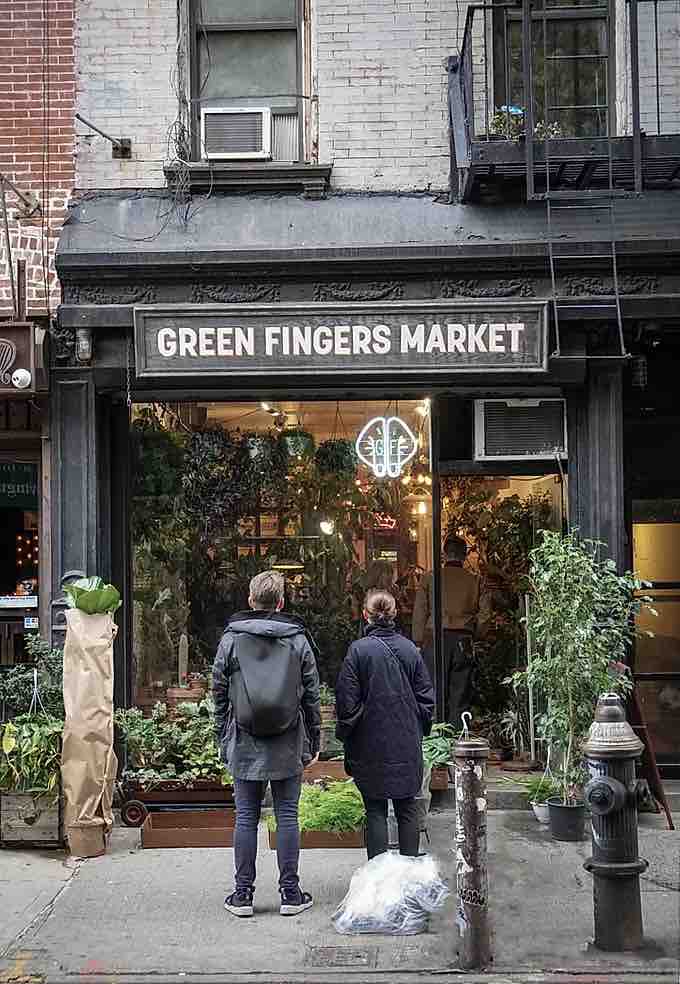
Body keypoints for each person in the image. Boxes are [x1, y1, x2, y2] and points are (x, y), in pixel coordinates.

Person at [212, 570, 321, 918]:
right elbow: (312, 695)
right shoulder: (298, 640)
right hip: (288, 738)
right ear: (281, 603)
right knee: (287, 815)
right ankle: (290, 894)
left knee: (245, 817)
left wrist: (221, 734)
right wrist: (315, 738)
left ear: (250, 600)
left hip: (244, 737)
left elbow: (217, 692)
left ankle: (242, 895)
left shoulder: (231, 639)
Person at [335, 589, 435, 860]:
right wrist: (417, 729)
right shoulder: (410, 650)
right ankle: (409, 877)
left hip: (369, 743)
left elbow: (346, 703)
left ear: (365, 615)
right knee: (407, 808)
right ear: (394, 614)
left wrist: (348, 736)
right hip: (405, 741)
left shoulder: (358, 651)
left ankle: (377, 880)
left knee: (375, 809)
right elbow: (427, 699)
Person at [412, 535, 482, 730]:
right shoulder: (475, 580)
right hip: (463, 639)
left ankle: (434, 735)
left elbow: (420, 611)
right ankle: (458, 738)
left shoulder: (430, 578)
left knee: (433, 689)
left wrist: (418, 640)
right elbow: (484, 616)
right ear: (465, 554)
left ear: (444, 554)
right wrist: (479, 634)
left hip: (435, 638)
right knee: (460, 692)